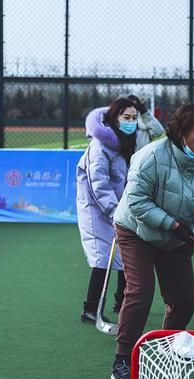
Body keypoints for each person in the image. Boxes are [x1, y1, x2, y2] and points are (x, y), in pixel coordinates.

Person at [109, 102, 194, 379]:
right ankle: (122, 358)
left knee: (184, 298)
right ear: (181, 131)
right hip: (137, 229)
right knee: (141, 291)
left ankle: (169, 349)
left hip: (175, 235)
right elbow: (137, 202)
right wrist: (173, 224)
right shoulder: (152, 155)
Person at [77, 98, 137, 322]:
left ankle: (122, 302)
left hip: (119, 208)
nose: (131, 122)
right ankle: (90, 309)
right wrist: (114, 211)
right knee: (103, 257)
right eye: (126, 118)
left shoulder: (126, 144)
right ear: (114, 119)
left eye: (134, 118)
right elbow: (98, 182)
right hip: (96, 208)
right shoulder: (99, 146)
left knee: (126, 253)